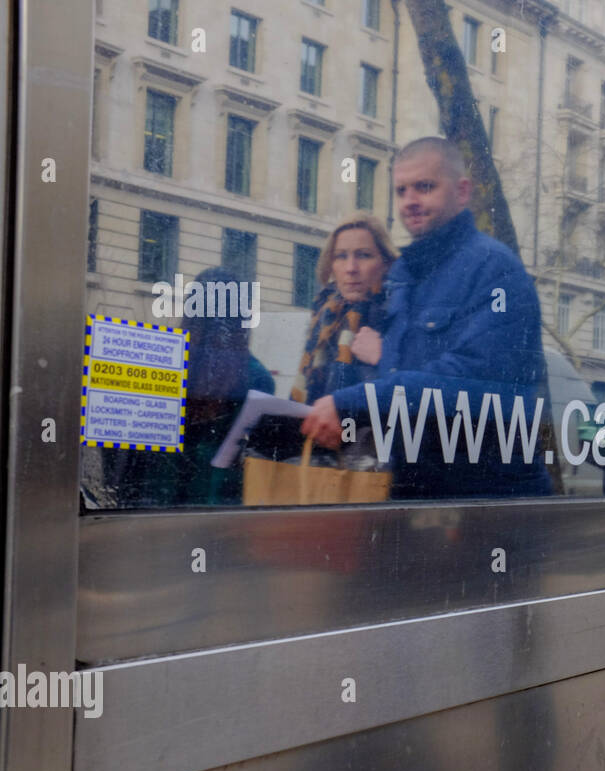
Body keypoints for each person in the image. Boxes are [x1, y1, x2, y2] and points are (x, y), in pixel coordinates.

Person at [300, 137, 551, 498]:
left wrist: (353, 402)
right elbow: (405, 378)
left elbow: (469, 377)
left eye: (425, 187)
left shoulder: (495, 269)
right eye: (401, 191)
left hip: (487, 498)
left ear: (462, 192)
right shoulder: (404, 275)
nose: (410, 202)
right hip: (419, 491)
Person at [109, 267, 274, 506]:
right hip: (221, 514)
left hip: (152, 508)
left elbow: (132, 460)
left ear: (190, 311)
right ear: (243, 320)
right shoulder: (257, 379)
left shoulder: (164, 365)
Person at [290, 213, 398, 405]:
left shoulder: (399, 314)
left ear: (386, 263)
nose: (350, 268)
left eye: (364, 255)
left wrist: (385, 357)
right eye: (341, 256)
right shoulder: (325, 316)